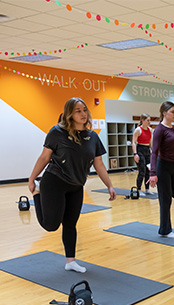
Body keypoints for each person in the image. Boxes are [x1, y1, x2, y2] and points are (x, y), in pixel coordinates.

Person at [28, 97, 116, 273]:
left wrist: (109, 185)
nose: (83, 114)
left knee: (70, 224)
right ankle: (37, 194)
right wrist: (32, 178)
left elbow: (98, 164)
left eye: (85, 110)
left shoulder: (92, 137)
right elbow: (44, 157)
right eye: (78, 111)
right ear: (69, 113)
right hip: (54, 182)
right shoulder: (57, 132)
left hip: (76, 185)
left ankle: (70, 261)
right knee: (51, 225)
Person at [147, 101, 174, 237]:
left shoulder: (171, 128)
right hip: (163, 166)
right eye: (172, 112)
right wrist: (153, 173)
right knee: (165, 200)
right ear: (164, 113)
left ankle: (166, 192)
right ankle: (165, 230)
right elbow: (154, 152)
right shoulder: (159, 130)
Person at [132, 113, 153, 196]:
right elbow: (133, 142)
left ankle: (147, 189)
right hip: (140, 150)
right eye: (148, 120)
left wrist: (154, 153)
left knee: (148, 170)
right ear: (143, 120)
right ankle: (139, 189)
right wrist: (135, 154)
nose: (149, 122)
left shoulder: (150, 130)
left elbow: (151, 143)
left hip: (147, 150)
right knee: (142, 171)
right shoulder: (138, 130)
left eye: (150, 120)